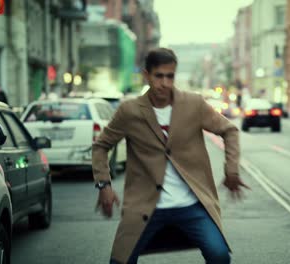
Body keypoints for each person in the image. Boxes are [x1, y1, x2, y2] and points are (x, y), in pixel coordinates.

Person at [92, 48, 249, 264]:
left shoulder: (193, 104)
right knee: (120, 261)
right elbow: (101, 146)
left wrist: (231, 169)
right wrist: (104, 184)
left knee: (219, 255)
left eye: (170, 76)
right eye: (159, 76)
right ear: (147, 75)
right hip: (145, 207)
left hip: (192, 206)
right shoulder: (130, 111)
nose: (165, 83)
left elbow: (229, 131)